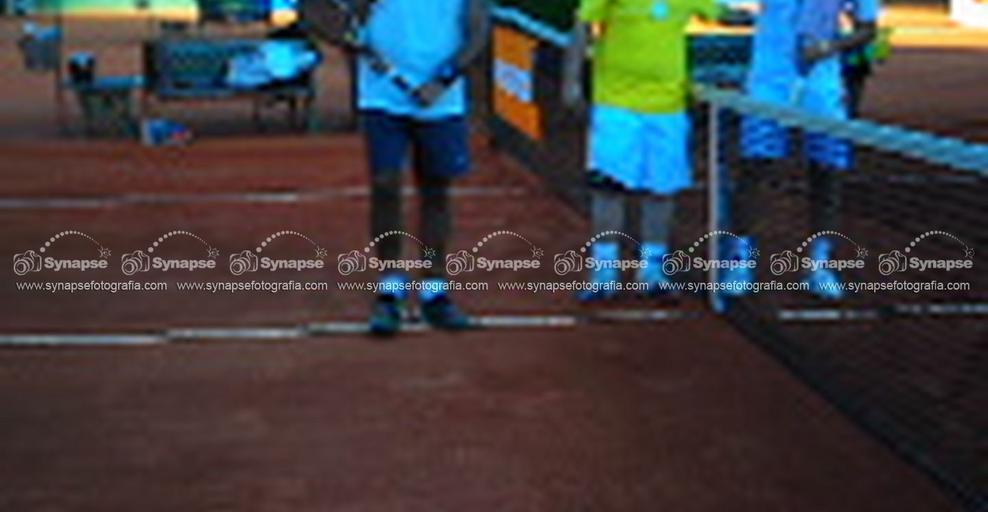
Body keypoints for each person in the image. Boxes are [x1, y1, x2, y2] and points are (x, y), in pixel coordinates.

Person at [563, 0, 735, 300]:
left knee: (661, 190)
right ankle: (604, 272)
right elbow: (582, 26)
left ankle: (652, 270)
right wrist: (571, 81)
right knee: (608, 188)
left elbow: (727, 16)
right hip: (616, 105)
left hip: (669, 108)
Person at [724, 0, 878, 299]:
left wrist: (829, 47)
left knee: (827, 172)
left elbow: (867, 29)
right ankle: (739, 260)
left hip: (822, 88)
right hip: (768, 83)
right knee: (756, 167)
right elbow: (733, 8)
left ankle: (819, 263)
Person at [357, 0, 490, 336]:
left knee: (436, 190)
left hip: (442, 100)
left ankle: (434, 288)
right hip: (382, 95)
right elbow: (343, 14)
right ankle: (390, 287)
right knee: (385, 184)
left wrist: (443, 80)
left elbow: (478, 30)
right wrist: (359, 39)